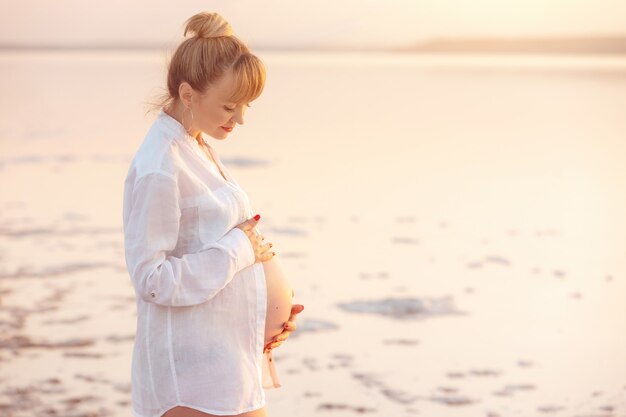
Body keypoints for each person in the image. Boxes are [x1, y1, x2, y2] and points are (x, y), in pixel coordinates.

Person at [122, 11, 304, 417]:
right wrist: (241, 249)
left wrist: (263, 313)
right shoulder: (160, 166)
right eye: (229, 106)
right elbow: (152, 281)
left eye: (246, 107)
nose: (239, 119)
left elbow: (203, 250)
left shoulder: (195, 145)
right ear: (188, 95)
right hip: (191, 379)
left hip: (223, 361)